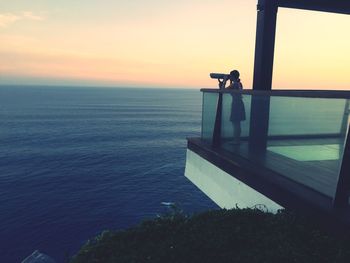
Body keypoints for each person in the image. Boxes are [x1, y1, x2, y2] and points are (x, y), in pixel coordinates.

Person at [226, 70, 246, 144]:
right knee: (237, 123)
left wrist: (225, 80)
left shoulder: (234, 84)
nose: (229, 77)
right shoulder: (239, 83)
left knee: (235, 123)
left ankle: (236, 140)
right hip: (240, 103)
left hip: (236, 104)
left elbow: (223, 90)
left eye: (230, 76)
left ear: (233, 76)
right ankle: (237, 140)